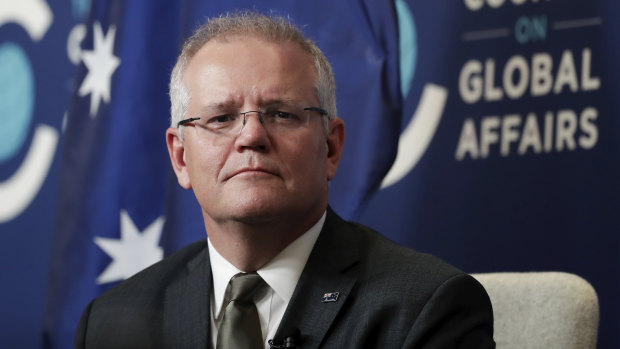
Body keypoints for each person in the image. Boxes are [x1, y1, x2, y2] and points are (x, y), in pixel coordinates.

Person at [75, 11, 495, 349]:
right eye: (221, 118)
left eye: (281, 114)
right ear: (181, 157)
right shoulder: (112, 324)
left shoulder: (426, 307)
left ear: (330, 148)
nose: (252, 136)